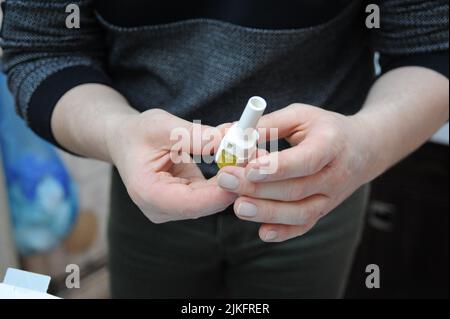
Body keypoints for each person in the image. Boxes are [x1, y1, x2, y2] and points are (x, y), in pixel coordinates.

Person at [0, 0, 448, 298]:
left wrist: (365, 144)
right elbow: (44, 49)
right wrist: (120, 133)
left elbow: (433, 46)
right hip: (149, 192)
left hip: (318, 200)